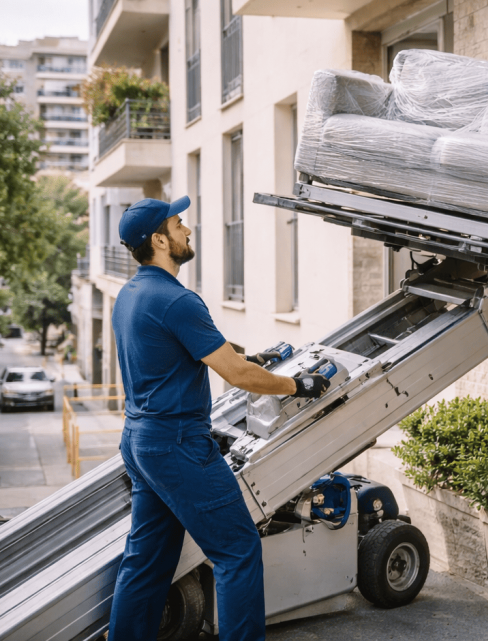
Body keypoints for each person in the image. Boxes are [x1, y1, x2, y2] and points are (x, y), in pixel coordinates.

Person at [107, 196, 330, 641]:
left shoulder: (130, 295)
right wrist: (297, 384)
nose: (188, 230)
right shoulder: (177, 300)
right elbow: (238, 376)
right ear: (159, 240)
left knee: (147, 561)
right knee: (237, 550)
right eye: (178, 224)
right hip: (178, 446)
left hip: (140, 442)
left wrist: (252, 357)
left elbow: (191, 352)